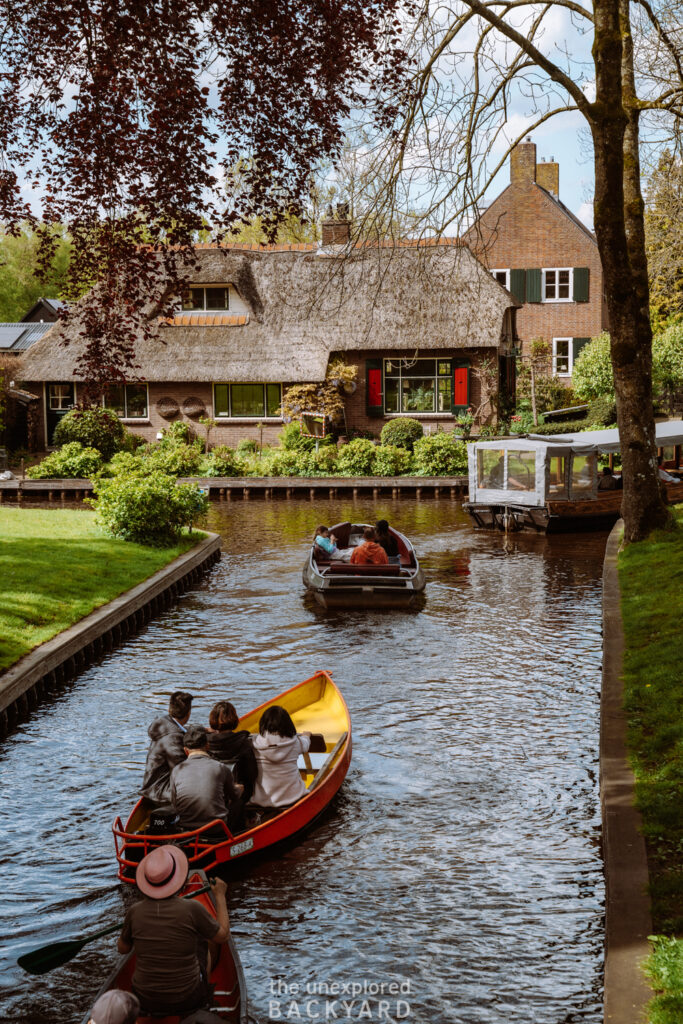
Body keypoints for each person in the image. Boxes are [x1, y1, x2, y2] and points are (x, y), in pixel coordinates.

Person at [118, 845, 229, 1017]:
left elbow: (123, 948)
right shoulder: (192, 908)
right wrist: (220, 895)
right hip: (187, 999)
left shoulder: (135, 911)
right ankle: (204, 997)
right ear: (177, 879)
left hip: (144, 999)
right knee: (202, 942)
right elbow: (223, 936)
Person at [170, 725, 244, 832]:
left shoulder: (176, 770)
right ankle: (238, 837)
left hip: (185, 828)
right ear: (207, 746)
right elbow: (234, 796)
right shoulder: (220, 767)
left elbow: (174, 803)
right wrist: (240, 788)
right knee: (239, 803)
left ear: (186, 751)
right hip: (215, 829)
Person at [251, 705, 312, 808]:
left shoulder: (255, 744)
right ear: (288, 724)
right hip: (293, 797)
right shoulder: (296, 743)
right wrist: (307, 735)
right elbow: (305, 745)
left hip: (262, 800)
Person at [140, 691, 193, 805]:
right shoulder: (173, 739)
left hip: (153, 787)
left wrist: (202, 730)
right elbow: (182, 771)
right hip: (161, 793)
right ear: (189, 713)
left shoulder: (164, 725)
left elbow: (183, 730)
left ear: (169, 710)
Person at [207, 700, 258, 803]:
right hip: (240, 795)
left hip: (213, 792)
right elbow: (252, 773)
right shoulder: (243, 742)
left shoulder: (206, 742)